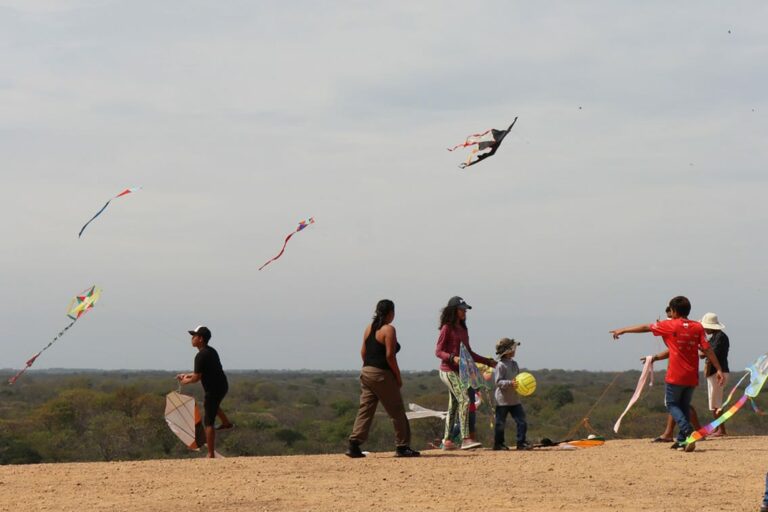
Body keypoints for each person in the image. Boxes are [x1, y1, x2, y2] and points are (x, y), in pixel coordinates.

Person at [610, 296, 724, 452]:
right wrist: (718, 369)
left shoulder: (670, 325)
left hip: (675, 375)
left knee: (671, 404)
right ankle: (683, 441)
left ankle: (688, 432)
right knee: (684, 406)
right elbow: (707, 349)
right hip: (692, 376)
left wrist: (623, 330)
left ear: (674, 311)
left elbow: (646, 327)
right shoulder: (697, 327)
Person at [346, 300, 419, 458]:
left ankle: (354, 444)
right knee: (397, 410)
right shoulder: (389, 329)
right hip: (381, 374)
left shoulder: (369, 328)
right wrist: (397, 376)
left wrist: (369, 369)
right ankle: (402, 446)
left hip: (366, 372)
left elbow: (363, 352)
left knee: (366, 409)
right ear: (391, 313)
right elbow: (390, 356)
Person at [434, 296, 496, 450]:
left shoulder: (463, 329)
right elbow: (438, 351)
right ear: (454, 311)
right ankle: (465, 438)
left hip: (460, 372)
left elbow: (469, 353)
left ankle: (447, 441)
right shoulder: (447, 328)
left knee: (454, 405)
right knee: (465, 400)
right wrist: (451, 357)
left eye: (465, 310)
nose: (464, 312)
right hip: (448, 371)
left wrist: (487, 361)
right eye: (462, 309)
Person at [176, 325, 232, 458]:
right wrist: (187, 375)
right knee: (213, 406)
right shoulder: (211, 351)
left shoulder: (200, 356)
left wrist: (185, 381)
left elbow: (196, 378)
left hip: (213, 389)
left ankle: (211, 454)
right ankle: (226, 423)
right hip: (222, 385)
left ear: (200, 339)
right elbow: (199, 373)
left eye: (194, 336)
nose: (192, 339)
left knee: (208, 421)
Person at [493, 338, 531, 451]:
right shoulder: (500, 365)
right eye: (513, 348)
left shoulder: (515, 364)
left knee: (522, 421)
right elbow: (498, 382)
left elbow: (519, 379)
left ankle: (521, 442)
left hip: (515, 399)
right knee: (500, 423)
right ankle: (498, 444)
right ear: (508, 351)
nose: (515, 350)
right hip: (502, 400)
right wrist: (510, 383)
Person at [700, 312, 730, 436]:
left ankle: (721, 429)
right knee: (714, 402)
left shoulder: (720, 338)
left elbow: (711, 353)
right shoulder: (715, 337)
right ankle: (719, 427)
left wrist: (702, 350)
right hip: (715, 372)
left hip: (718, 372)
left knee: (716, 402)